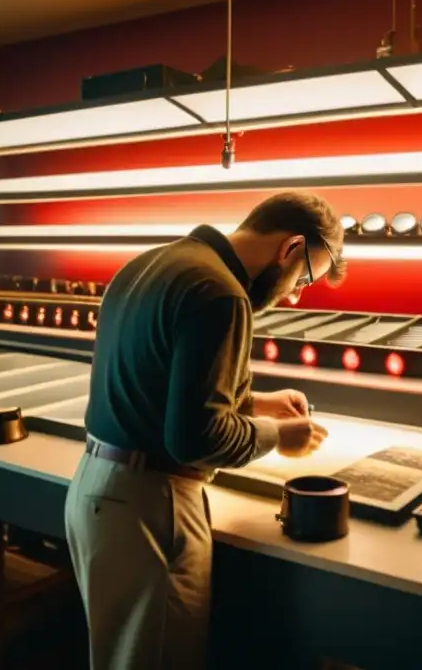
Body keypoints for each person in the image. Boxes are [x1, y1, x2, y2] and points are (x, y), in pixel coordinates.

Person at [64, 191, 346, 669]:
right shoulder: (223, 295)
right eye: (306, 276)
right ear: (291, 247)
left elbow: (157, 384)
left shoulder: (153, 263)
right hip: (153, 507)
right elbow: (196, 439)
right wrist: (280, 437)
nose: (296, 292)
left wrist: (254, 403)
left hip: (95, 491)